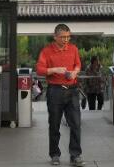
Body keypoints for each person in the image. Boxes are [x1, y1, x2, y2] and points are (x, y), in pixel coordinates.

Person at [36, 24, 85, 167]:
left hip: (72, 90)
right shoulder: (46, 51)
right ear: (55, 36)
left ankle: (75, 155)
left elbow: (78, 65)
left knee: (76, 124)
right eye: (63, 37)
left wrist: (75, 72)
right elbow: (39, 69)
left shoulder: (73, 49)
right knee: (54, 124)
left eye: (68, 37)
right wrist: (54, 70)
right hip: (55, 90)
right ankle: (55, 154)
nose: (66, 40)